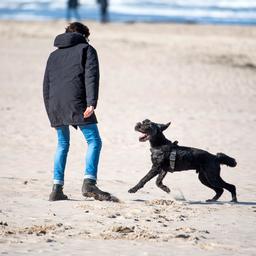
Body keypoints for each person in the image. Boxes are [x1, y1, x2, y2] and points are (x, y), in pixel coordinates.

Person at [43, 22, 111, 201]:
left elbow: (46, 85)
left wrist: (51, 112)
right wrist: (91, 103)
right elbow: (91, 76)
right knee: (94, 141)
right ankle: (89, 183)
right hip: (77, 102)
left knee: (62, 144)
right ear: (84, 35)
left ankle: (56, 189)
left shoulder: (53, 55)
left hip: (56, 104)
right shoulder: (86, 49)